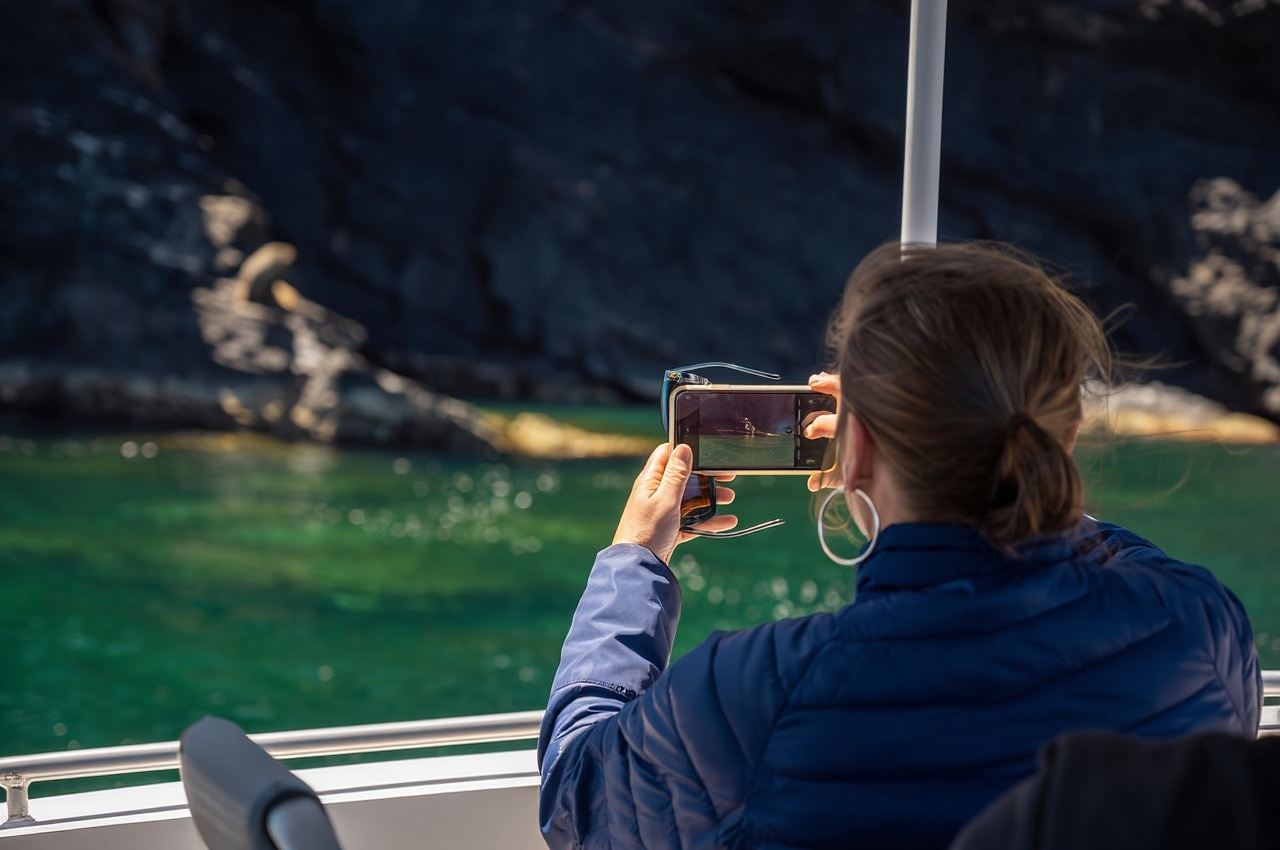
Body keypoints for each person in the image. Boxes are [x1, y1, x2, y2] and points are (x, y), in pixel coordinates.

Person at [536, 242, 1260, 850]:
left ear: (856, 447)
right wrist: (890, 471)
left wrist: (635, 556)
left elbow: (577, 799)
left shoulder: (754, 691)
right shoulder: (1197, 625)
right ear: (1064, 438)